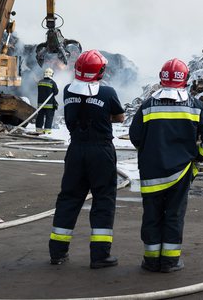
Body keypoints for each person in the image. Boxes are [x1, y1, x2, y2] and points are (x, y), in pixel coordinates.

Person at [129, 58, 203, 272]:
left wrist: (149, 151)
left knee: (152, 214)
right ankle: (170, 261)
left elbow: (135, 136)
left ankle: (150, 260)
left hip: (151, 171)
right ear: (185, 79)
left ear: (162, 79)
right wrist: (198, 158)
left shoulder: (148, 104)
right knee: (174, 214)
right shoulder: (195, 105)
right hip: (181, 172)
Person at [48, 49, 125, 268]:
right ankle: (100, 256)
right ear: (100, 71)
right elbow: (119, 117)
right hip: (101, 151)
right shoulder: (108, 93)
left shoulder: (67, 90)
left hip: (76, 150)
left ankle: (57, 253)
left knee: (69, 199)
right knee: (103, 200)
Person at [35, 67, 59, 136]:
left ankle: (38, 129)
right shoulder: (52, 82)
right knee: (49, 116)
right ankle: (47, 130)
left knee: (40, 116)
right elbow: (56, 92)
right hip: (49, 104)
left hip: (40, 104)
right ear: (51, 74)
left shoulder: (40, 82)